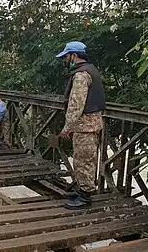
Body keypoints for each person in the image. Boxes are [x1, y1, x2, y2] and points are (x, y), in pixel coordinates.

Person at [56, 41, 106, 209]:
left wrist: (67, 127)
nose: (65, 60)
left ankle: (85, 197)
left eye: (66, 56)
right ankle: (82, 190)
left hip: (85, 126)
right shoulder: (91, 70)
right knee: (83, 159)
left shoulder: (81, 75)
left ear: (74, 56)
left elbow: (76, 104)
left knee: (84, 161)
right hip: (90, 125)